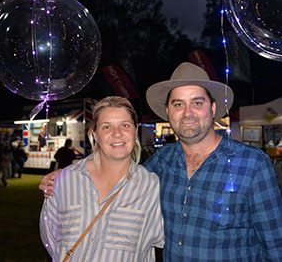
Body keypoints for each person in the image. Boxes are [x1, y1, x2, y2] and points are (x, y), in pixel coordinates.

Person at [40, 62, 282, 261]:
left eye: (197, 103)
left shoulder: (252, 165)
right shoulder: (160, 163)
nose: (187, 113)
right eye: (178, 104)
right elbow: (118, 176)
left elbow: (275, 246)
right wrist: (63, 176)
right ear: (168, 112)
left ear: (213, 108)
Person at [39, 96, 164, 261]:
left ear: (135, 131)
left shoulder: (150, 186)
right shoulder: (64, 181)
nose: (117, 134)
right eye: (106, 127)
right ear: (94, 134)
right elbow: (51, 239)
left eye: (125, 125)